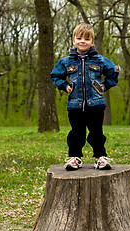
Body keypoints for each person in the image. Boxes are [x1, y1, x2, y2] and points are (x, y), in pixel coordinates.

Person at [51, 23, 120, 170]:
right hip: (75, 105)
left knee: (97, 133)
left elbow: (114, 73)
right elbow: (55, 75)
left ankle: (100, 157)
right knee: (76, 133)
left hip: (96, 104)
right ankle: (75, 158)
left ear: (92, 42)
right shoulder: (66, 61)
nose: (83, 41)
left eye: (87, 39)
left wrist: (104, 85)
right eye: (79, 38)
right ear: (74, 41)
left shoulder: (100, 60)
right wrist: (64, 86)